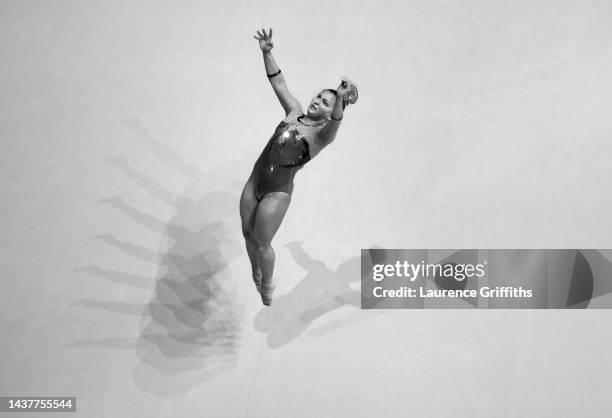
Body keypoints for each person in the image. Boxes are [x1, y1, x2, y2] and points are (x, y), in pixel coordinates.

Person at [239, 28, 357, 306]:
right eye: (318, 96)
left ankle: (267, 284)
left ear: (331, 111)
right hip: (254, 182)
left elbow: (338, 121)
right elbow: (279, 83)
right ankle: (255, 271)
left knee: (261, 242)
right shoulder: (294, 111)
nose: (317, 101)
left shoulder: (321, 136)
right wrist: (267, 52)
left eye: (325, 102)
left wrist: (340, 98)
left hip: (276, 193)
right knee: (246, 233)